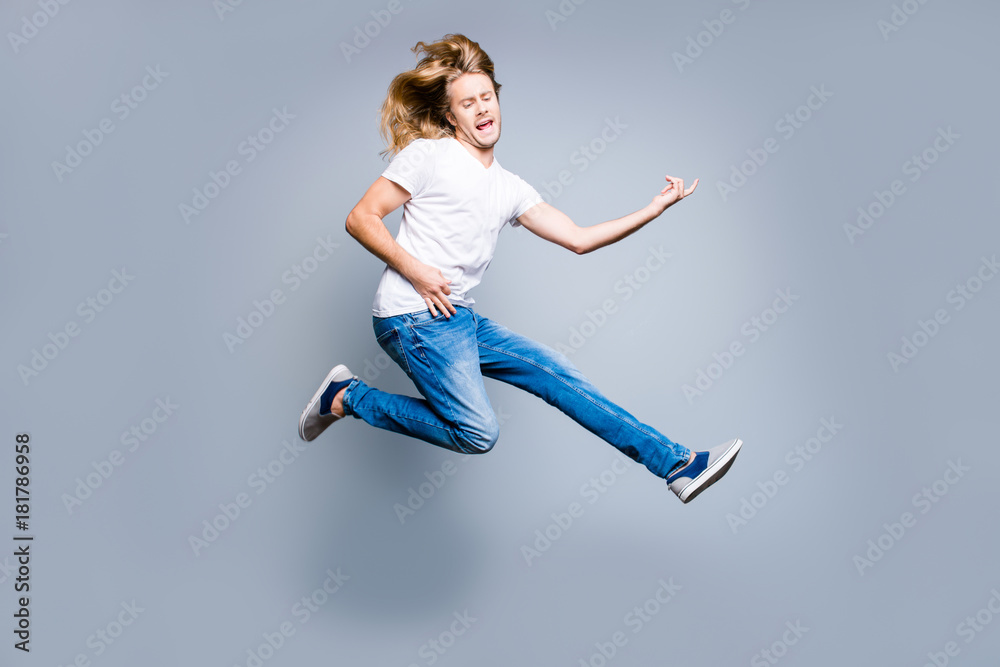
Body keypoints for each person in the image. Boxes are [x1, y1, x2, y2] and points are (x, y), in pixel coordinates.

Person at [299, 33, 741, 503]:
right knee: (478, 432)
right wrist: (416, 271)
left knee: (558, 375)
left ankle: (677, 464)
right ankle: (347, 397)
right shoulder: (429, 156)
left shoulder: (510, 187)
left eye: (486, 97)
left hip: (456, 316)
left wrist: (655, 207)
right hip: (410, 316)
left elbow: (579, 238)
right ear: (451, 115)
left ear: (497, 100)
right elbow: (360, 218)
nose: (481, 109)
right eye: (467, 103)